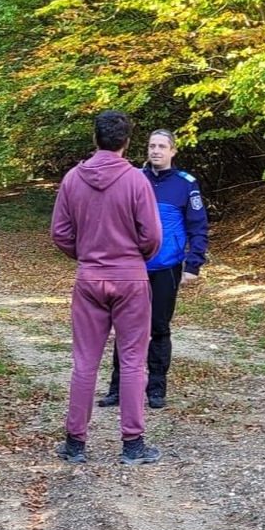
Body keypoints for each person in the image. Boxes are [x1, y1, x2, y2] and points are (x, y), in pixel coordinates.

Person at [51, 110, 163, 466]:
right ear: (127, 142)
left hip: (89, 277)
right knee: (133, 361)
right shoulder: (136, 181)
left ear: (94, 138)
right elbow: (153, 236)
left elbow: (60, 233)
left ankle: (75, 443)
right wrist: (132, 257)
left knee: (85, 362)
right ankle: (132, 444)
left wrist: (85, 255)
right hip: (130, 277)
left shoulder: (72, 179)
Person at [98, 128, 208, 410]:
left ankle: (156, 388)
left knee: (158, 327)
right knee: (125, 327)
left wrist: (193, 263)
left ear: (173, 151)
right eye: (151, 146)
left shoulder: (186, 184)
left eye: (161, 146)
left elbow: (198, 226)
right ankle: (118, 388)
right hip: (131, 266)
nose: (155, 151)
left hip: (166, 266)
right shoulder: (133, 178)